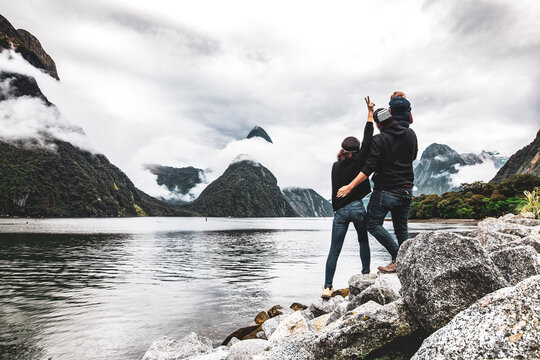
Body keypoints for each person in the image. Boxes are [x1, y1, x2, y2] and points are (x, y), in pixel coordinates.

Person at [337, 104, 418, 274]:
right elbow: (413, 156)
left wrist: (350, 186)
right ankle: (406, 264)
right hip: (407, 190)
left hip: (386, 190)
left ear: (379, 125)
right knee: (401, 229)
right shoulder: (410, 133)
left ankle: (398, 257)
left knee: (372, 224)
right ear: (391, 118)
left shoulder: (378, 140)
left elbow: (369, 168)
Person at [322, 97, 375, 299]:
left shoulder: (335, 166)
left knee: (334, 249)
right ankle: (366, 274)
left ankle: (327, 287)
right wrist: (370, 113)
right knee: (363, 241)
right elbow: (368, 138)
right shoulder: (358, 161)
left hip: (340, 212)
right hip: (357, 207)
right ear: (355, 152)